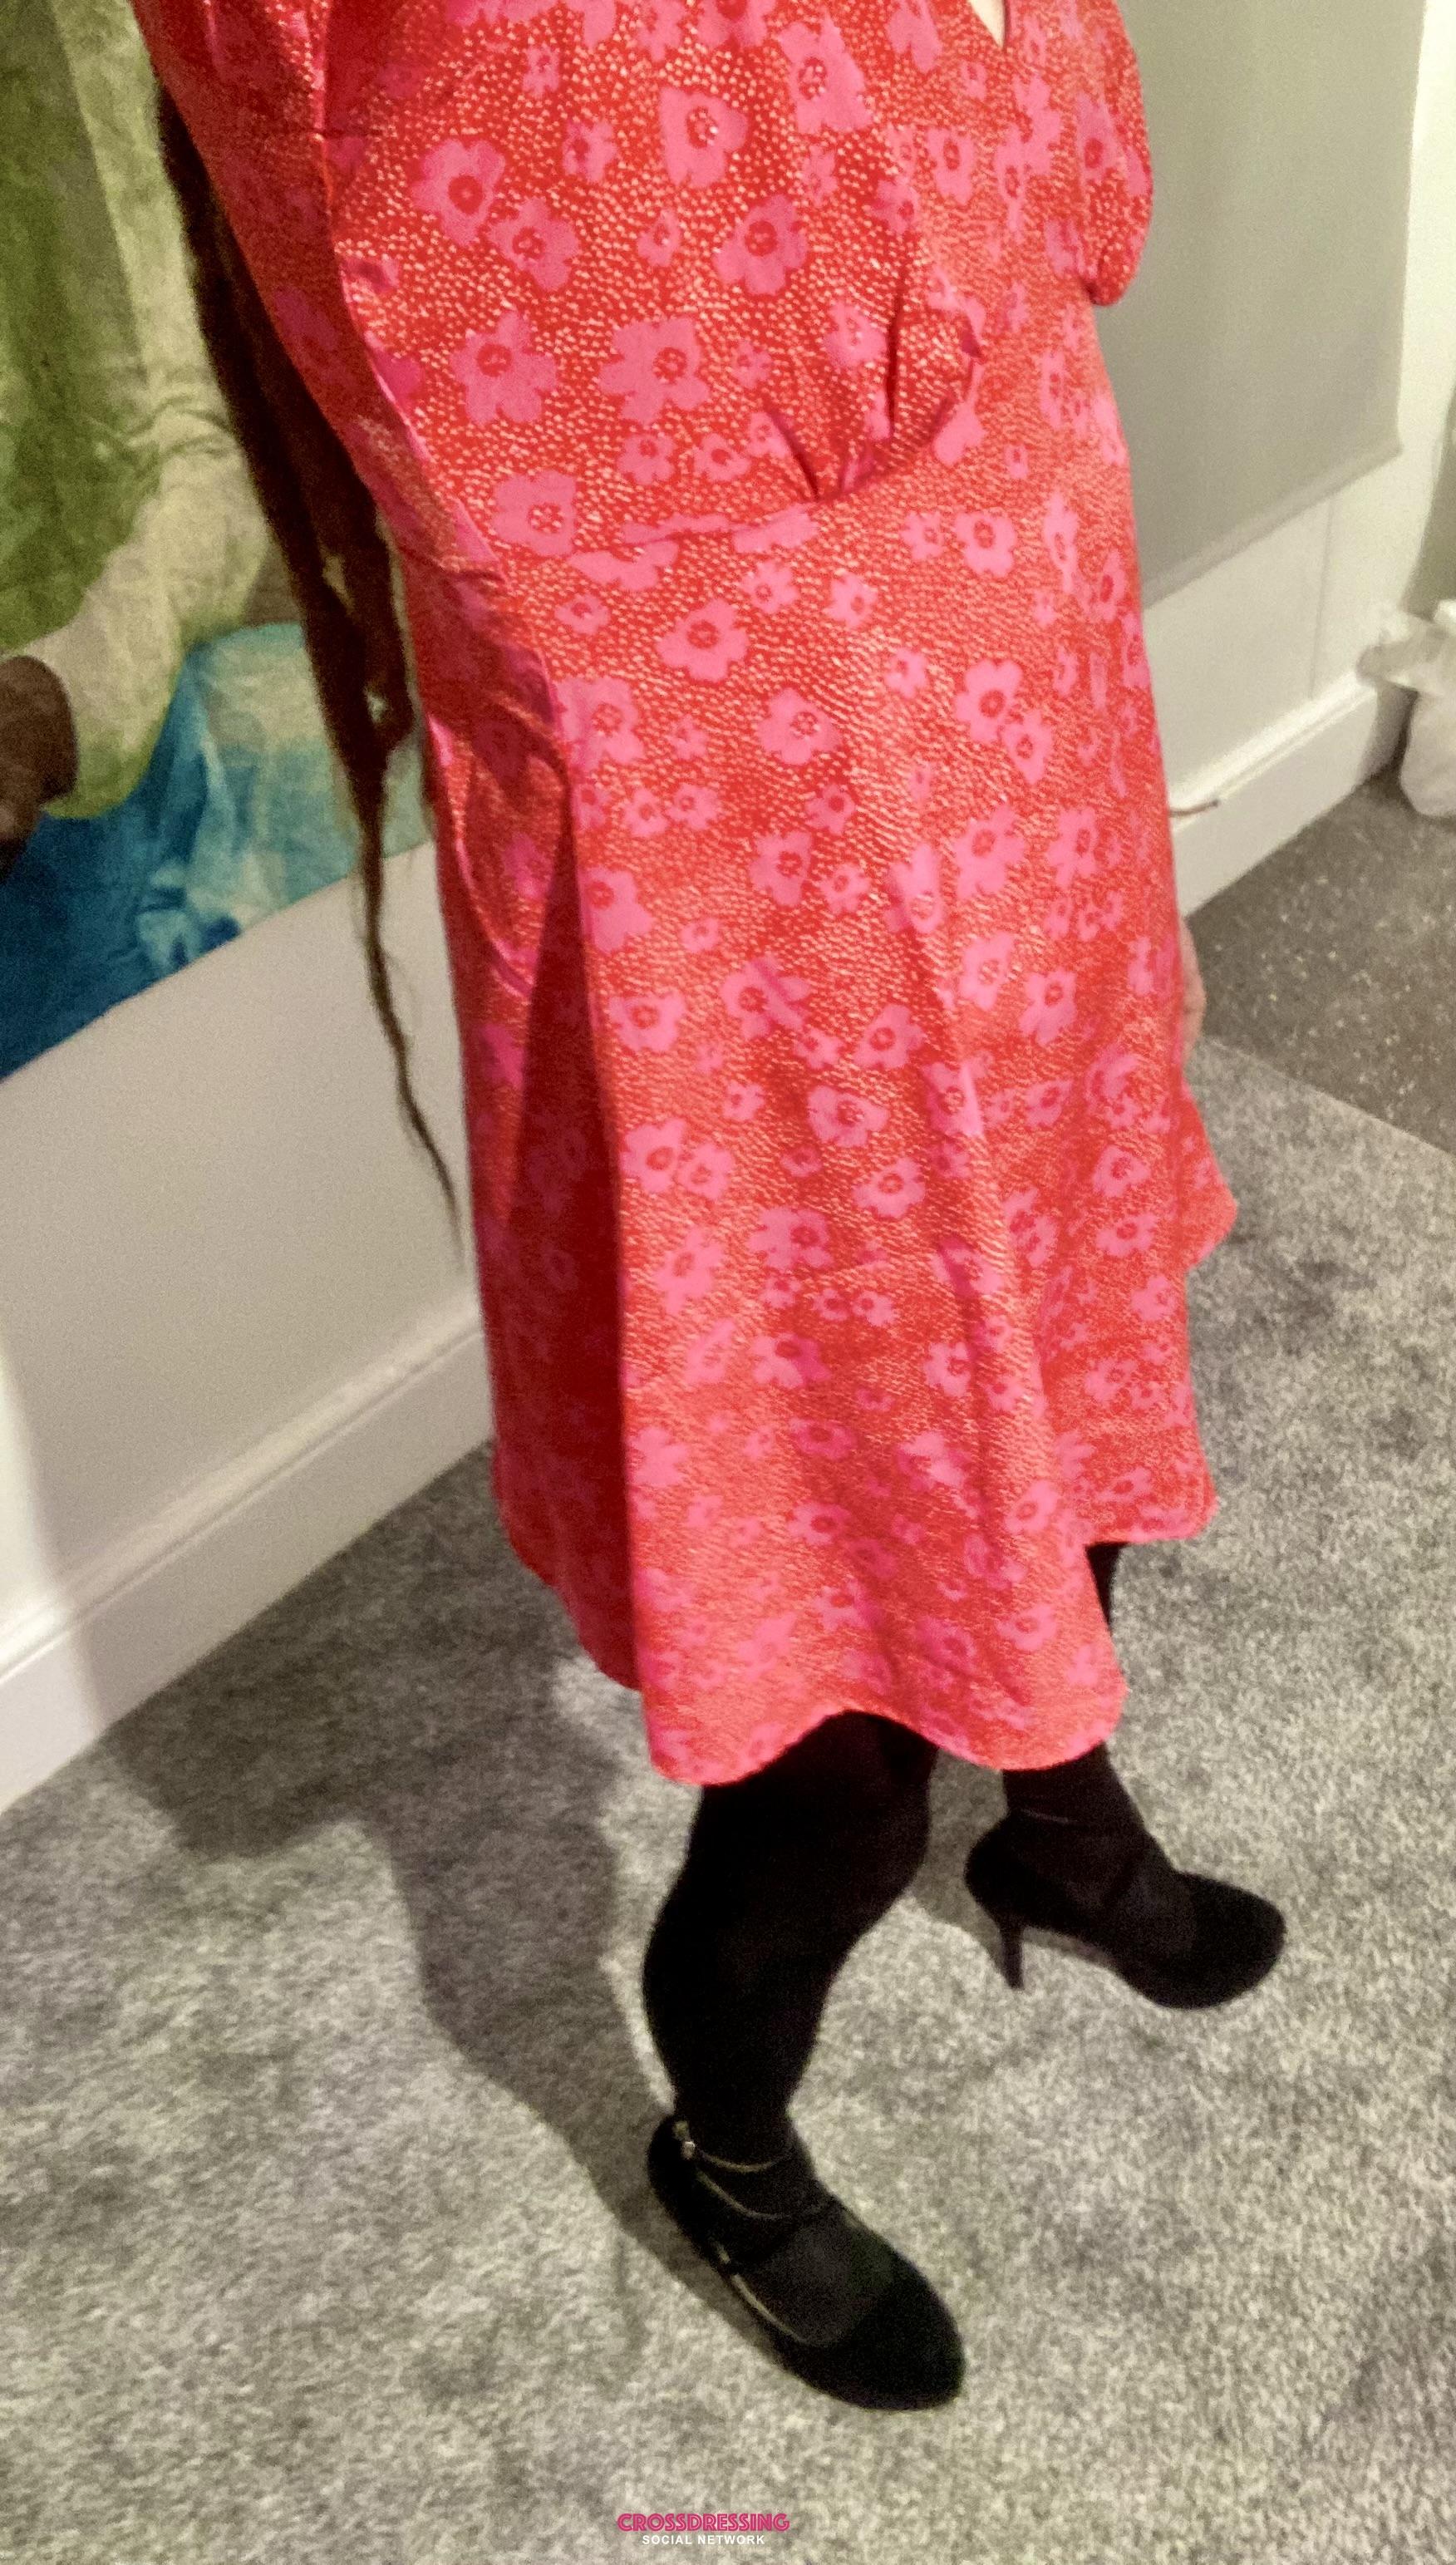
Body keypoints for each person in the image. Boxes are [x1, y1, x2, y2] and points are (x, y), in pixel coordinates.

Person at [130, 0, 1283, 2410]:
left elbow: (1052, 181)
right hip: (735, 823)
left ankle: (1061, 1830)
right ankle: (731, 2157)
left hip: (1022, 673)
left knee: (1065, 1398)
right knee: (838, 1710)